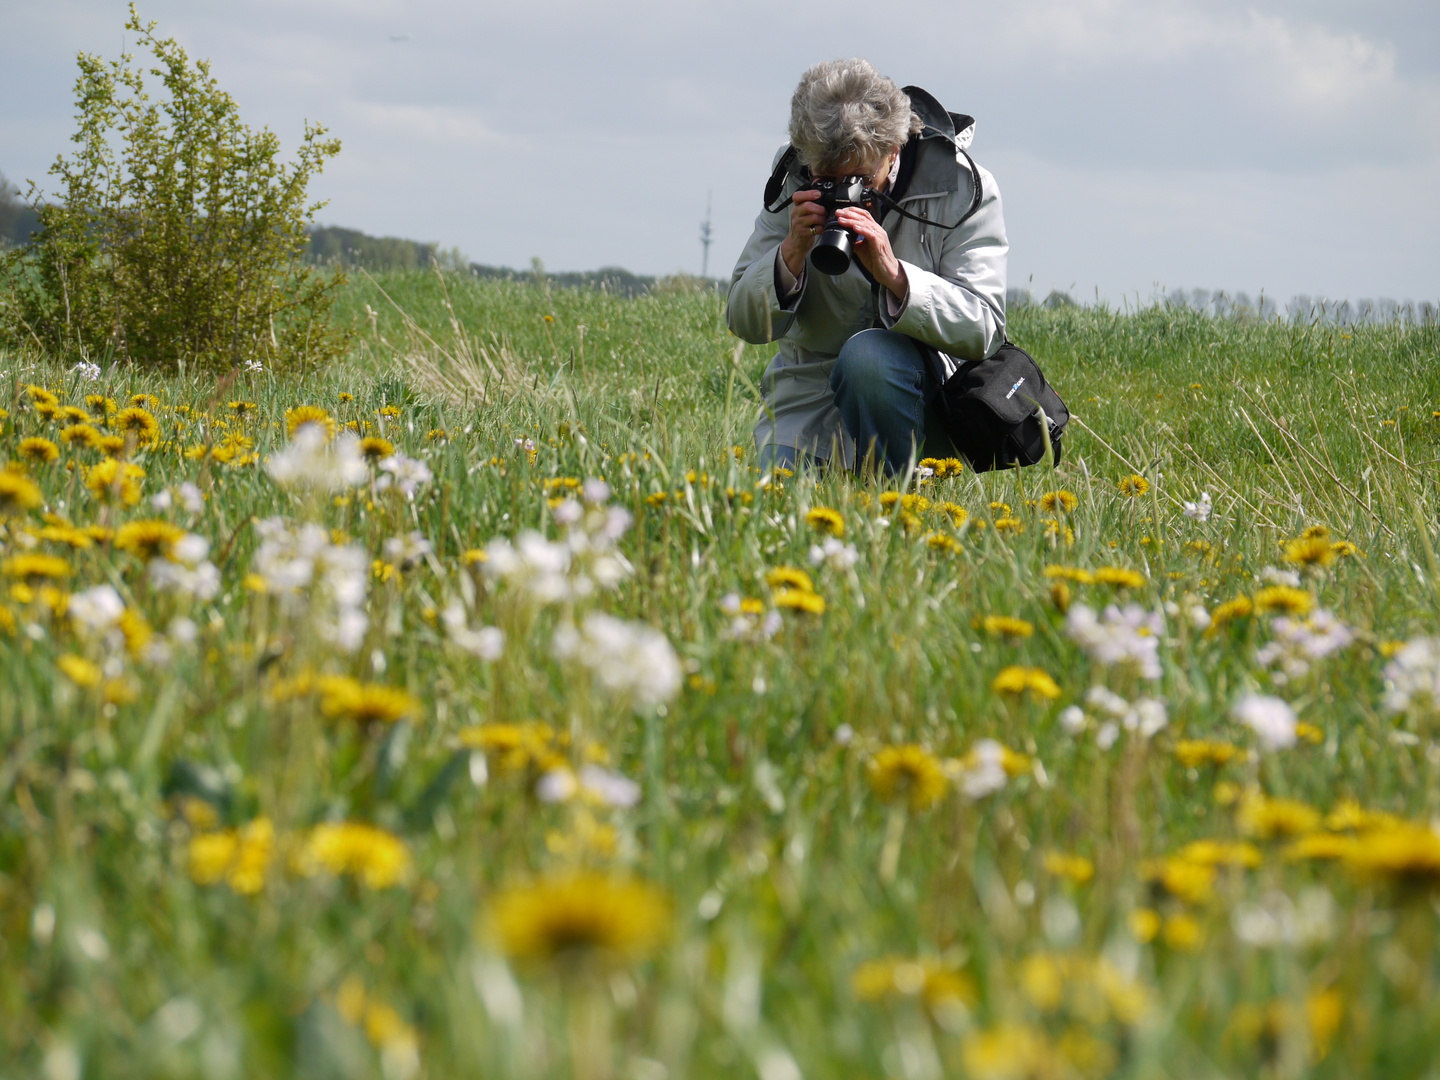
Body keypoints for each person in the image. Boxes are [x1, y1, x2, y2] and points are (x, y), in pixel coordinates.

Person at [727, 58, 1007, 475]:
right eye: (825, 178)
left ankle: (903, 486)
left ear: (893, 151)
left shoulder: (961, 186)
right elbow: (742, 320)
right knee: (780, 506)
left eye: (857, 179)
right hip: (809, 396)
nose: (841, 192)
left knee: (868, 357)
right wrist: (789, 255)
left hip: (923, 394)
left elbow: (985, 329)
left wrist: (897, 277)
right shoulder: (792, 176)